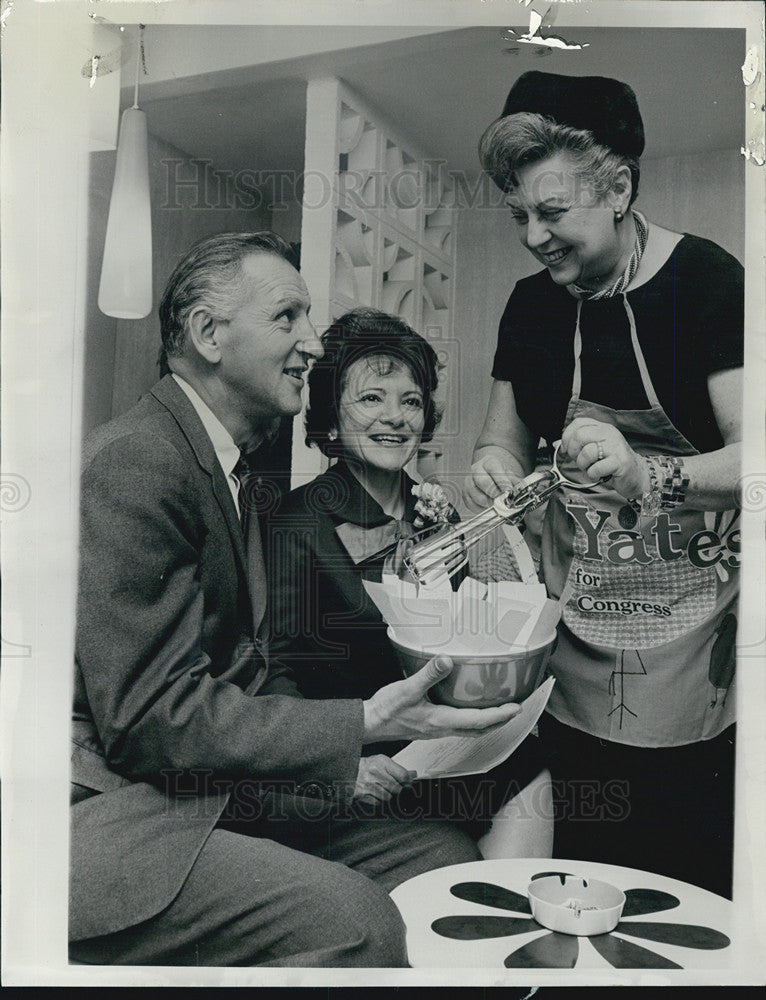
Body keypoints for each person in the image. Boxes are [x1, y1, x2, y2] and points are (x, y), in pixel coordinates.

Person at [70, 232, 524, 968]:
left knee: (443, 856)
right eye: (289, 318)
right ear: (208, 334)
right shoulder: (138, 460)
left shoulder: (235, 473)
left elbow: (257, 673)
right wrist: (366, 722)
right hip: (122, 815)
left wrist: (346, 764)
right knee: (360, 922)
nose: (312, 344)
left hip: (216, 786)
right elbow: (147, 722)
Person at [466, 72, 742, 897]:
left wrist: (646, 472)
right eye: (519, 216)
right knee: (576, 883)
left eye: (552, 214)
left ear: (618, 187)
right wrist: (493, 472)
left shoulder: (706, 282)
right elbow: (500, 441)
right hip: (572, 649)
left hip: (692, 660)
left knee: (678, 893)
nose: (533, 238)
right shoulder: (531, 308)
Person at [266, 307, 553, 857]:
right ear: (329, 415)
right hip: (365, 761)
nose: (395, 417)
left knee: (532, 769)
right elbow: (273, 671)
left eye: (411, 401)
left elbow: (463, 639)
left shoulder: (440, 514)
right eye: (372, 398)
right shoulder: (296, 523)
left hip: (448, 749)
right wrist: (341, 762)